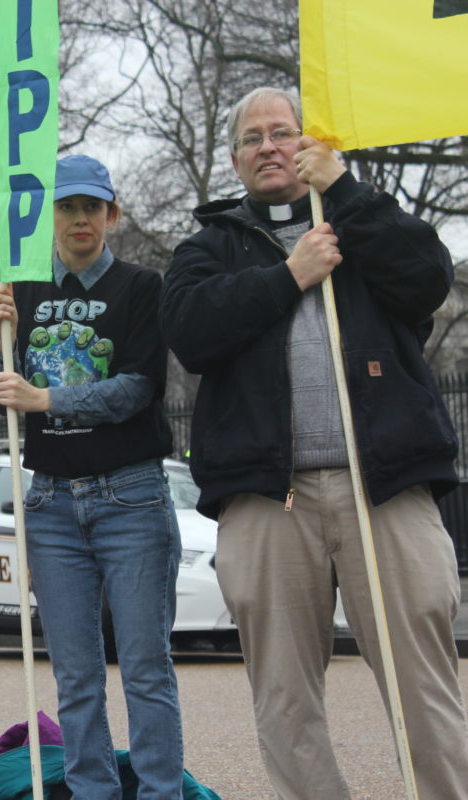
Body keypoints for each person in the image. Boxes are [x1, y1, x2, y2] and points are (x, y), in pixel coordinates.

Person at [161, 86, 468, 799]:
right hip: (268, 499)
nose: (271, 145)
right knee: (284, 698)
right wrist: (289, 275)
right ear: (236, 160)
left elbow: (426, 281)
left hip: (385, 489)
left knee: (424, 687)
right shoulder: (209, 246)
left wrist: (347, 193)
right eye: (254, 138)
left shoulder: (362, 219)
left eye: (284, 132)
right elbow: (191, 333)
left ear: (310, 144)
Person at [0, 155, 184, 799]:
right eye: (66, 207)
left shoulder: (141, 287)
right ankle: (92, 791)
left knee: (147, 668)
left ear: (111, 215)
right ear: (50, 216)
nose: (78, 220)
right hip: (49, 504)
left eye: (90, 208)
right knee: (75, 674)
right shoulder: (25, 292)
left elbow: (137, 388)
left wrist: (48, 402)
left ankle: (159, 792)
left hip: (131, 497)